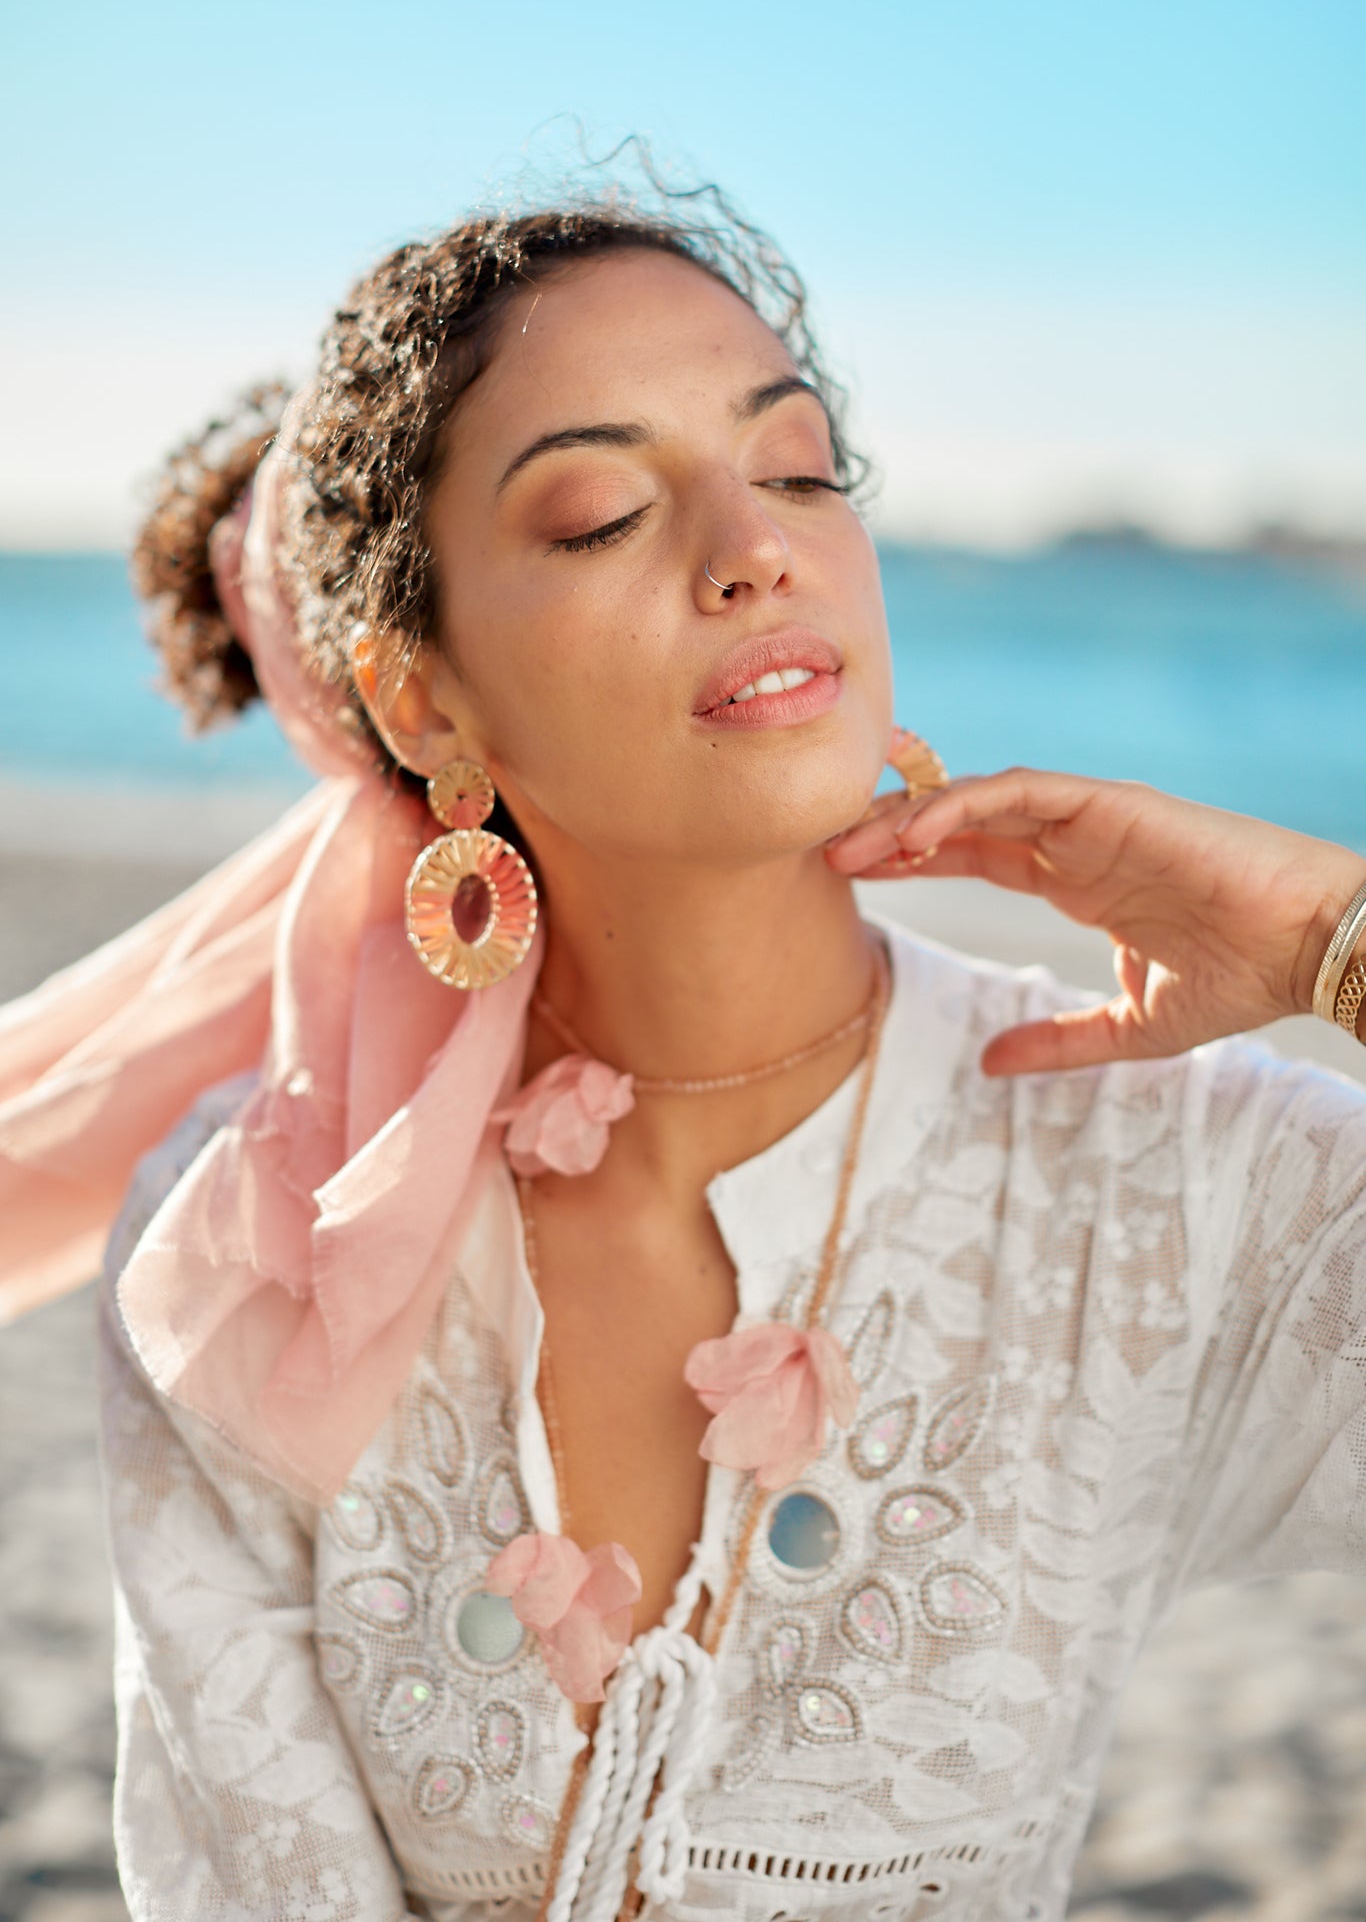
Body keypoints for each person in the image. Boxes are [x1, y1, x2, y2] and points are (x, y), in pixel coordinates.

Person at [1, 180, 1363, 1922]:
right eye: (598, 511)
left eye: (798, 469)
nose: (755, 545)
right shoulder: (252, 1242)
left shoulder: (1176, 1179)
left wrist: (1327, 941)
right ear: (423, 699)